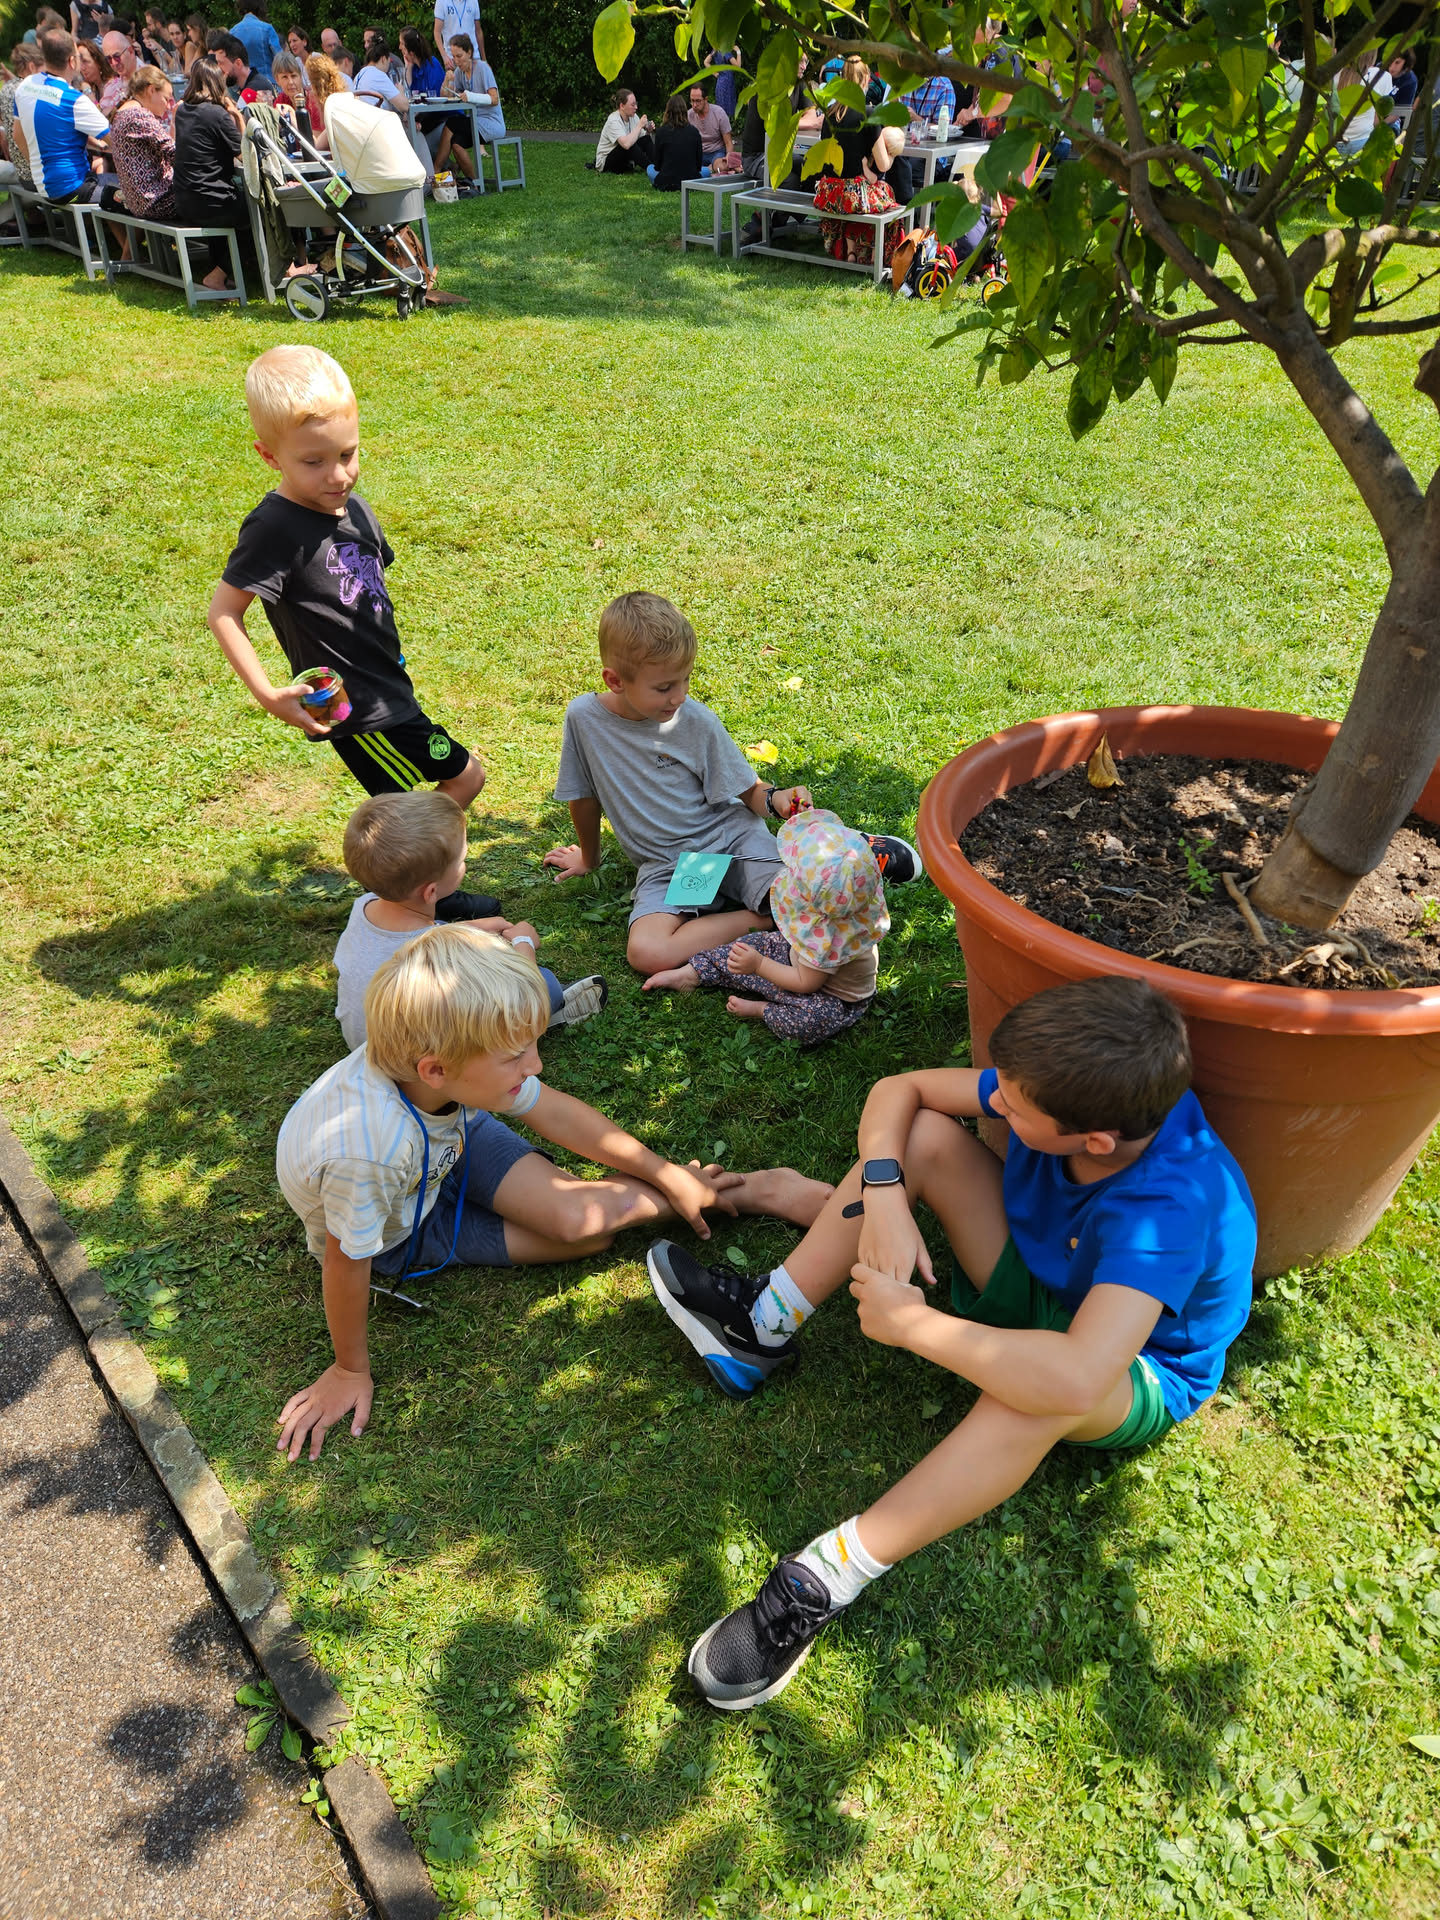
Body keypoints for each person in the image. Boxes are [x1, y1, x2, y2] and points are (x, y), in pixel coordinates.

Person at [648, 977, 1258, 1709]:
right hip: (1051, 1285)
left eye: (1016, 1110)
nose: (997, 1104)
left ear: (1096, 1141)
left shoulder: (1169, 1206)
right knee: (923, 1137)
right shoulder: (1084, 1091)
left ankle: (828, 1574)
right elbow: (900, 1090)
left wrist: (915, 1327)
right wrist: (883, 1192)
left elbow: (1077, 1378)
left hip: (1135, 1368)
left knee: (1038, 1395)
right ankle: (762, 1326)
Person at [273, 925, 832, 1461]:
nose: (536, 1065)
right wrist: (349, 1369)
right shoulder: (366, 1153)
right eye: (516, 1056)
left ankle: (746, 1189)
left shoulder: (450, 1075)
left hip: (454, 1140)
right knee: (584, 1239)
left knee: (575, 1217)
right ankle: (729, 1192)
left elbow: (558, 1113)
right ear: (435, 1069)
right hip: (403, 1228)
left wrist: (666, 1172)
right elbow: (347, 1260)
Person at [209, 348, 494, 917]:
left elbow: (364, 593)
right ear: (270, 456)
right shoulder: (273, 527)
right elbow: (224, 612)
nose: (337, 475)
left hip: (391, 691)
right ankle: (422, 899)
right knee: (441, 793)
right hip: (360, 712)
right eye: (313, 462)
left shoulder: (353, 509)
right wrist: (268, 695)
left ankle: (420, 886)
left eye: (348, 454)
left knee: (445, 791)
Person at [542, 592, 919, 977]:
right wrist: (588, 859)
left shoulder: (694, 721)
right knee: (647, 953)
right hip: (669, 866)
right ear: (615, 680)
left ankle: (848, 853)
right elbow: (583, 796)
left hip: (730, 842)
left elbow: (749, 791)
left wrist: (777, 799)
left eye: (686, 679)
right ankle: (767, 917)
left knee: (819, 901)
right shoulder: (584, 719)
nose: (680, 696)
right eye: (665, 687)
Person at [334, 791, 607, 1051]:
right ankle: (534, 1027)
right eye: (462, 860)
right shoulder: (443, 954)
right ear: (431, 892)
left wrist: (471, 928)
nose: (465, 864)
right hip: (419, 1064)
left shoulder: (366, 904)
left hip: (363, 1043)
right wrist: (524, 942)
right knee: (546, 985)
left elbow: (417, 937)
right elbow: (526, 990)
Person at [643, 808, 896, 1043]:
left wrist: (759, 965)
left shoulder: (826, 940)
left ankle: (763, 1009)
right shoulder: (854, 898)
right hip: (800, 958)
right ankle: (694, 972)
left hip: (830, 994)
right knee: (751, 946)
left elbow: (804, 983)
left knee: (813, 1019)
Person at [13, 26, 109, 200]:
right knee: (127, 194)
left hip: (43, 186)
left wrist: (41, 169)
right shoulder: (73, 99)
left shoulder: (25, 85)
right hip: (73, 186)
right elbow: (117, 141)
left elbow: (17, 136)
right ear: (72, 61)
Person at [173, 58, 245, 284]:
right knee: (259, 212)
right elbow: (245, 155)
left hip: (184, 201)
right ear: (217, 82)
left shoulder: (182, 111)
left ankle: (222, 275)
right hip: (211, 203)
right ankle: (218, 275)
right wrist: (237, 116)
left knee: (221, 201)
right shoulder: (217, 114)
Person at [108, 60, 175, 213]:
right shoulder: (139, 115)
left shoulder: (122, 113)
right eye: (166, 99)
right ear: (151, 90)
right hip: (157, 201)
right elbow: (174, 153)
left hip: (140, 203)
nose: (168, 106)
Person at [438, 32, 501, 173]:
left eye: (459, 56)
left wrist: (471, 96)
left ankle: (436, 169)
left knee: (452, 123)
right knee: (456, 143)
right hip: (474, 121)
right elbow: (447, 96)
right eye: (454, 57)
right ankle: (473, 180)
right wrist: (447, 80)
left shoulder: (482, 68)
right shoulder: (459, 72)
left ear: (469, 53)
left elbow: (494, 99)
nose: (456, 61)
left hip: (491, 123)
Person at [0, 41, 43, 191]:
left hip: (21, 171)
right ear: (32, 66)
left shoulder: (7, 88)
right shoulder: (32, 91)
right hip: (37, 174)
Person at [648, 89, 700, 190]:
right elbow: (698, 165)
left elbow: (657, 165)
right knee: (706, 170)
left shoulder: (661, 132)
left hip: (666, 180)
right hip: (691, 179)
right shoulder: (694, 132)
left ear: (667, 111)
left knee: (649, 168)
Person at [594, 86, 652, 172]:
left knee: (646, 139)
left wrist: (648, 130)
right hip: (606, 161)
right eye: (632, 105)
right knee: (630, 145)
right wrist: (640, 125)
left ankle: (658, 166)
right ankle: (651, 169)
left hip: (622, 154)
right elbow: (626, 144)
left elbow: (641, 137)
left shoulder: (633, 116)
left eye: (636, 104)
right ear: (622, 106)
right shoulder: (613, 120)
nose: (636, 107)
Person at [687, 80, 736, 171]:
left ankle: (710, 168)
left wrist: (729, 158)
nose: (694, 105)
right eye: (692, 101)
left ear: (706, 99)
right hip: (697, 152)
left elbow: (728, 142)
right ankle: (707, 169)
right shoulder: (689, 115)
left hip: (716, 152)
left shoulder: (719, 113)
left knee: (721, 167)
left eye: (698, 101)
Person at [353, 30, 406, 111]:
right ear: (384, 59)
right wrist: (401, 92)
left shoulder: (359, 75)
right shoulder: (378, 75)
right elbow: (404, 106)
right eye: (388, 61)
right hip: (377, 117)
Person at [226, 0, 276, 83]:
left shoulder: (232, 32)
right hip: (268, 82)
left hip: (244, 85)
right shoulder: (267, 29)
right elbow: (280, 58)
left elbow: (230, 63)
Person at [433, 0, 482, 69]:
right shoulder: (441, 2)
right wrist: (444, 57)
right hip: (452, 59)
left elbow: (478, 31)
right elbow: (437, 32)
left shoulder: (473, 1)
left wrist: (484, 60)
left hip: (473, 57)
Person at [399, 25, 443, 99]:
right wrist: (408, 67)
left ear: (411, 50)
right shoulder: (414, 68)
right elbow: (406, 94)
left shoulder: (432, 64)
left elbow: (435, 95)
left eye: (402, 43)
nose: (399, 47)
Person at [98, 24, 134, 110]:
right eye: (109, 59)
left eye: (117, 57)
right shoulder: (111, 86)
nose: (114, 63)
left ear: (130, 51)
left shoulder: (148, 78)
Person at [704, 43, 739, 120]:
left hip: (720, 82)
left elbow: (706, 62)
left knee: (721, 109)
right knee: (728, 109)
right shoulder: (725, 52)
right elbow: (738, 66)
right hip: (728, 82)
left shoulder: (715, 51)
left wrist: (715, 73)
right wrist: (738, 51)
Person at [213, 31, 253, 96]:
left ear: (238, 63)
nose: (218, 67)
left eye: (221, 63)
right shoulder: (246, 85)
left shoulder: (253, 91)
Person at [74, 31, 113, 97]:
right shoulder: (94, 87)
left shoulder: (112, 86)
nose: (82, 68)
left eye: (85, 61)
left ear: (98, 62)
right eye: (79, 63)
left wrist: (88, 92)